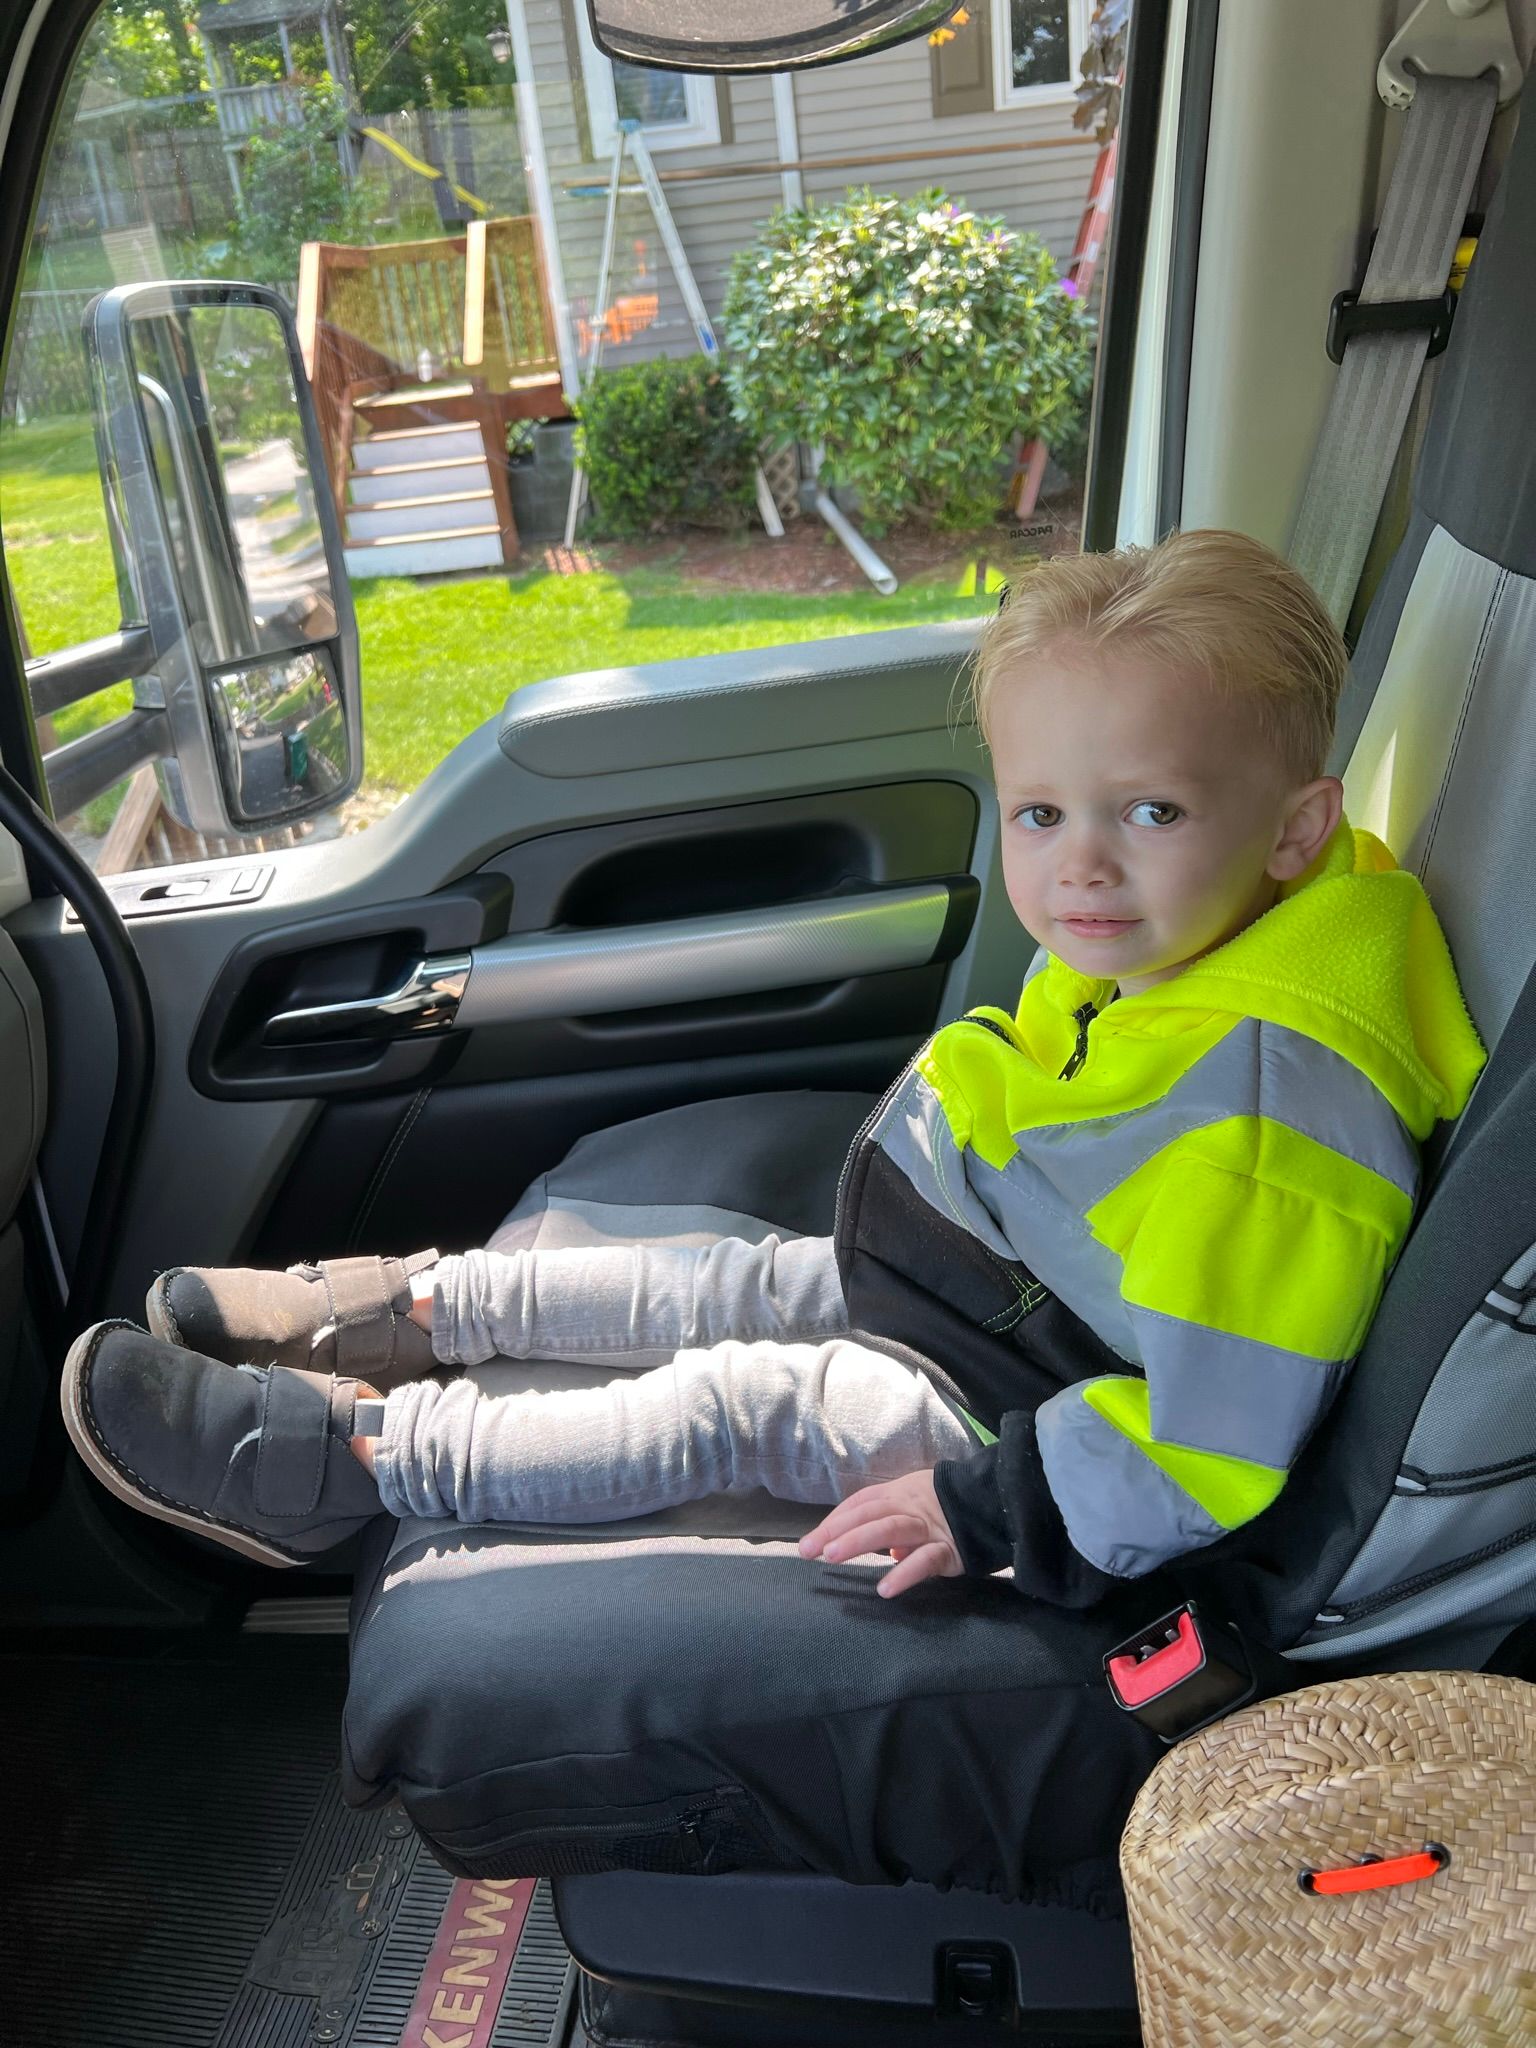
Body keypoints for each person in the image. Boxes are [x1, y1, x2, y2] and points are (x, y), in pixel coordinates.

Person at [61, 531, 1486, 1602]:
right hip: (1010, 1281)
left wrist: (983, 1509)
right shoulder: (1215, 926)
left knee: (743, 1400)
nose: (1081, 866)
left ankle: (356, 1465)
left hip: (1031, 1403)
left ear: (1296, 833)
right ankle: (417, 1306)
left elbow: (1213, 1438)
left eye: (1152, 810)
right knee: (727, 1278)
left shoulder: (1271, 1126)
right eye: (1041, 810)